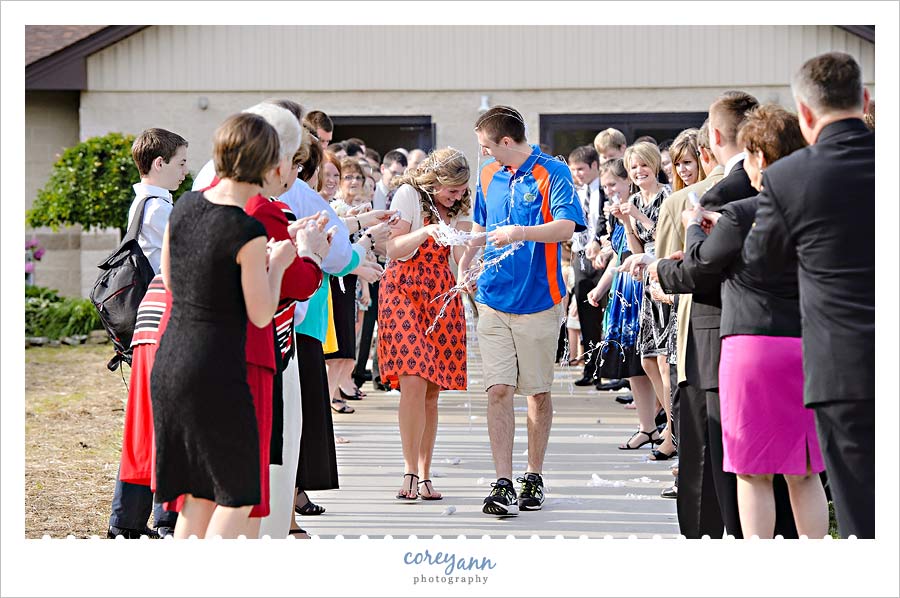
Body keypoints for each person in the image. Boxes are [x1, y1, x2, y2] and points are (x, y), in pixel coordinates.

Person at [673, 104, 826, 538]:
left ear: (758, 156)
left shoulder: (739, 214)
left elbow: (700, 262)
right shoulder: (814, 211)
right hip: (804, 342)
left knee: (752, 471)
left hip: (751, 346)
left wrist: (693, 226)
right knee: (805, 470)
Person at [742, 52, 874, 538]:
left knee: (864, 516)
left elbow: (761, 263)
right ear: (864, 100)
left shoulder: (789, 177)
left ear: (806, 113)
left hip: (843, 369)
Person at [150, 112, 297, 539]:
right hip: (215, 369)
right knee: (238, 495)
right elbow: (261, 313)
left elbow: (172, 280)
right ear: (270, 166)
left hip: (172, 361)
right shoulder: (245, 229)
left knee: (196, 496)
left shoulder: (186, 207)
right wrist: (279, 264)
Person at [459, 106, 585, 516]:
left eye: (486, 147)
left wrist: (522, 232)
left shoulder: (553, 173)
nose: (484, 155)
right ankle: (502, 482)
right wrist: (467, 259)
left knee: (537, 393)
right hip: (492, 298)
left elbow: (566, 228)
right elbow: (480, 224)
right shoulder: (487, 176)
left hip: (539, 300)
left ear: (507, 143)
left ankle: (533, 473)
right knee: (497, 390)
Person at [108, 127, 188, 539]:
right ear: (160, 163)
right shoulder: (160, 209)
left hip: (146, 321)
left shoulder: (143, 202)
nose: (185, 172)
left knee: (147, 423)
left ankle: (133, 519)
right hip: (165, 320)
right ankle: (160, 516)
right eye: (180, 163)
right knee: (164, 422)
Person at [379, 148, 472, 500]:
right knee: (413, 380)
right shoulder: (409, 196)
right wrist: (429, 230)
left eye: (462, 190)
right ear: (436, 181)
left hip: (440, 295)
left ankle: (425, 472)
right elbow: (393, 249)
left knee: (432, 390)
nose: (458, 196)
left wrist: (468, 274)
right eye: (452, 189)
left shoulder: (461, 207)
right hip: (403, 289)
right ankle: (408, 470)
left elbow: (461, 257)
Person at [567, 145, 605, 387]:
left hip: (603, 256)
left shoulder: (606, 188)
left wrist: (599, 243)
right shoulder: (575, 193)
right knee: (585, 313)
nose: (578, 174)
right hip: (580, 255)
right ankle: (590, 368)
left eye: (581, 169)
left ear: (594, 166)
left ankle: (606, 369)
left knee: (604, 313)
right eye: (574, 170)